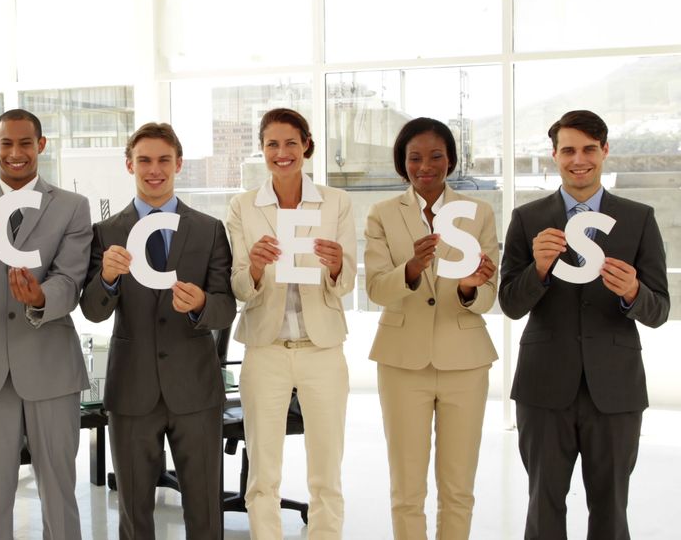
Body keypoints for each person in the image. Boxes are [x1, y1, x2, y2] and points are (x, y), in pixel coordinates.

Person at [499, 110, 670, 539]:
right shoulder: (527, 218)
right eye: (569, 150)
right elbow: (510, 304)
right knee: (544, 503)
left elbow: (659, 310)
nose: (580, 159)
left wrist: (633, 292)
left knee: (611, 508)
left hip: (615, 389)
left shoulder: (639, 218)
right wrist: (537, 270)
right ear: (554, 155)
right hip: (543, 387)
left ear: (605, 151)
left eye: (589, 149)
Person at [79, 122, 235, 539]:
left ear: (178, 164)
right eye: (144, 160)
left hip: (195, 390)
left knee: (205, 513)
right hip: (132, 391)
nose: (154, 169)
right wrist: (107, 280)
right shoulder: (107, 232)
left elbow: (225, 305)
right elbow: (92, 311)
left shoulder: (209, 229)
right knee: (134, 514)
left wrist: (201, 303)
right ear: (129, 164)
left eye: (164, 160)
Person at [0, 108, 93, 540]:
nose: (16, 152)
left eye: (25, 143)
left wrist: (41, 297)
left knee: (60, 491)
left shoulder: (71, 207)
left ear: (40, 145)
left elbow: (71, 278)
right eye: (6, 143)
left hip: (50, 363)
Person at [363, 118, 499, 539]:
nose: (426, 166)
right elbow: (375, 289)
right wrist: (412, 268)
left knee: (459, 488)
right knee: (407, 489)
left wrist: (467, 287)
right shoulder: (383, 214)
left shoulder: (479, 213)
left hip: (465, 362)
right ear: (402, 164)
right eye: (415, 158)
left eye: (436, 156)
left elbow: (490, 295)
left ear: (451, 160)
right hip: (402, 362)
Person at [225, 108, 356, 539]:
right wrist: (258, 269)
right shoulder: (243, 206)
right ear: (262, 150)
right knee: (263, 474)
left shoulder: (336, 202)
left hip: (322, 350)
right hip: (266, 350)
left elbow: (348, 283)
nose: (282, 153)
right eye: (272, 145)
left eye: (291, 144)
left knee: (326, 473)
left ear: (306, 146)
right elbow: (240, 288)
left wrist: (337, 267)